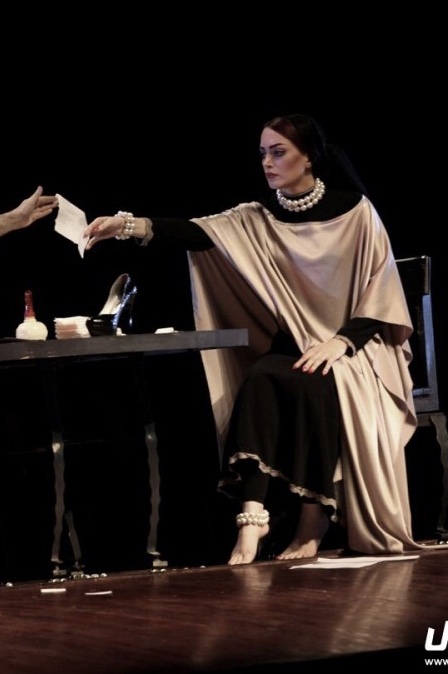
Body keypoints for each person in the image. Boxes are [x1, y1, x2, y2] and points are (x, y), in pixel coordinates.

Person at [83, 114, 422, 566]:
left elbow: (383, 293)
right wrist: (125, 226)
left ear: (309, 157)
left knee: (318, 381)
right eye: (263, 153)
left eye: (279, 152)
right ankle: (252, 519)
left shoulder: (356, 211)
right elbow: (195, 231)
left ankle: (312, 523)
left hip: (355, 346)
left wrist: (340, 343)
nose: (267, 162)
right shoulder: (259, 218)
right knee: (261, 376)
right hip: (296, 344)